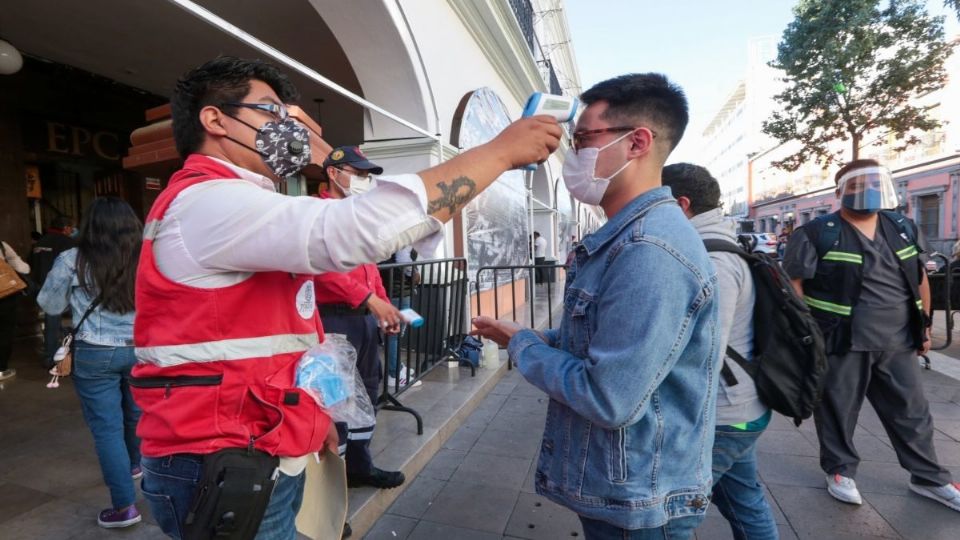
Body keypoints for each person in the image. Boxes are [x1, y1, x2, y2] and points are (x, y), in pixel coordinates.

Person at [131, 56, 559, 540]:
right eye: (271, 111)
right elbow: (356, 232)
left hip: (258, 440)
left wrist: (315, 419)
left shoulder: (236, 199)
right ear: (214, 119)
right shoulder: (207, 201)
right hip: (222, 454)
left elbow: (287, 337)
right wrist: (498, 153)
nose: (285, 127)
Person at [473, 73, 720, 539]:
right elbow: (603, 345)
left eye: (584, 138)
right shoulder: (628, 238)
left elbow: (609, 396)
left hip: (639, 502)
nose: (572, 153)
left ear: (637, 143)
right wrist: (523, 337)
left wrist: (525, 345)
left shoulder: (650, 250)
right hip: (626, 491)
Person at [783, 159, 960, 512]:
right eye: (855, 186)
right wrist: (804, 336)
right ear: (839, 192)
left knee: (911, 411)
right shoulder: (818, 232)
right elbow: (794, 285)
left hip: (897, 341)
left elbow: (919, 278)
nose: (867, 192)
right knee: (837, 409)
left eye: (874, 184)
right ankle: (839, 471)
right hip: (841, 340)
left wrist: (923, 325)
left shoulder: (902, 227)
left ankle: (928, 477)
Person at [663, 163, 778, 540]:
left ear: (681, 205)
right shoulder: (715, 244)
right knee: (745, 504)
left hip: (724, 416)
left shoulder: (713, 260)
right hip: (739, 409)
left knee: (673, 517)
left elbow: (702, 349)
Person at [37, 197, 143, 529]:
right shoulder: (147, 259)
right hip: (142, 349)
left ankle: (124, 507)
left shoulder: (72, 259)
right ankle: (136, 465)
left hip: (95, 352)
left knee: (106, 429)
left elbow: (50, 304)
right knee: (137, 413)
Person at [314, 145, 405, 489]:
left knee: (367, 391)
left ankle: (360, 466)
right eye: (359, 173)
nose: (364, 180)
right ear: (334, 173)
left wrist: (383, 306)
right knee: (334, 399)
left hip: (364, 320)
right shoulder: (318, 214)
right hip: (334, 320)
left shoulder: (356, 216)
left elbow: (370, 270)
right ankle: (332, 487)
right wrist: (369, 300)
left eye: (367, 175)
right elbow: (321, 268)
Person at [31, 215, 77, 368]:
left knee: (52, 323)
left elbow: (30, 265)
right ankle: (74, 355)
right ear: (65, 228)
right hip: (63, 287)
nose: (72, 231)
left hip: (42, 287)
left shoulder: (39, 242)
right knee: (77, 319)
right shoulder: (68, 242)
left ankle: (50, 357)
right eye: (71, 228)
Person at [0, 241, 30, 382]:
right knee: (5, 331)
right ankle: (1, 370)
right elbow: (22, 268)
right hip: (5, 294)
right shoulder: (2, 245)